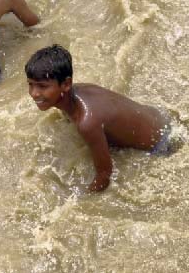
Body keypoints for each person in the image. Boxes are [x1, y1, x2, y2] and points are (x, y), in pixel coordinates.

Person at [26, 45, 176, 192]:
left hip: (161, 144)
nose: (34, 93)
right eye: (31, 85)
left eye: (42, 86)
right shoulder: (78, 90)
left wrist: (86, 198)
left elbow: (104, 174)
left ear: (66, 84)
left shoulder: (87, 122)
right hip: (160, 117)